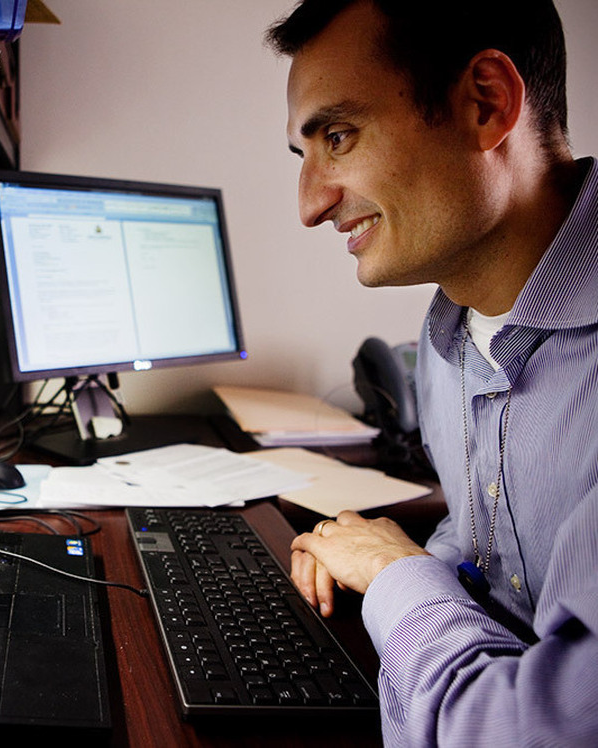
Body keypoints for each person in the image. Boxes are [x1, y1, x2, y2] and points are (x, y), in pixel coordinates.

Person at [266, 0, 598, 744]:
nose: (310, 205)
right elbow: (497, 549)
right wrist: (390, 553)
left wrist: (395, 579)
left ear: (485, 103)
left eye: (339, 138)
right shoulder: (449, 331)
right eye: (305, 154)